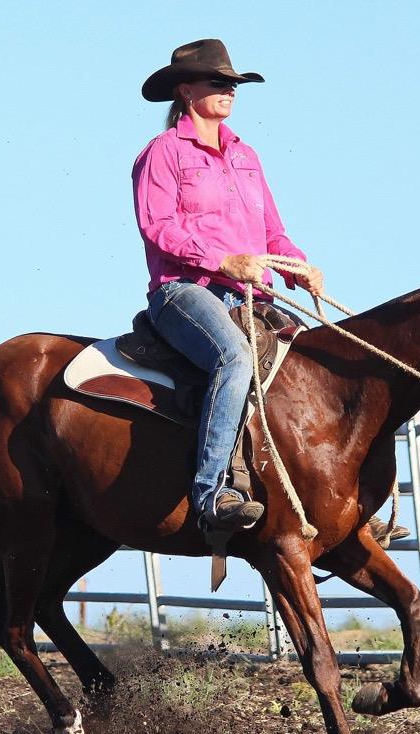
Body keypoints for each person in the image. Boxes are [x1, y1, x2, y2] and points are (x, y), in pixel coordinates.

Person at [132, 39, 323, 529]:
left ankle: (332, 503)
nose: (230, 90)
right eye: (218, 82)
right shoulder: (163, 153)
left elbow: (273, 232)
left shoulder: (247, 155)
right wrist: (223, 261)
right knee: (234, 357)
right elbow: (158, 227)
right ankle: (212, 491)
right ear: (186, 90)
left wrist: (297, 266)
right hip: (184, 290)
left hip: (251, 294)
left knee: (321, 364)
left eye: (234, 84)